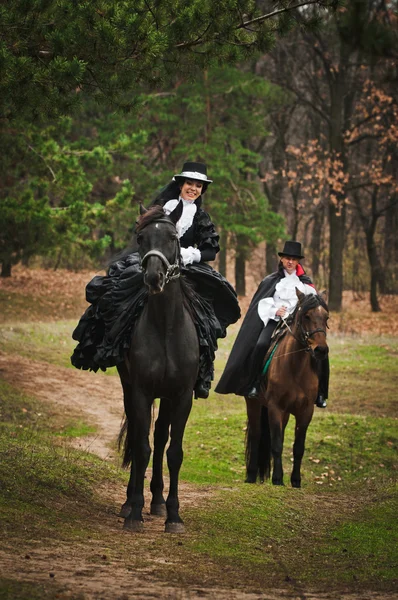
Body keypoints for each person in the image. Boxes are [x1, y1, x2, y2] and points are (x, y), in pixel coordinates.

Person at [71, 161, 241, 399]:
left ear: (203, 189)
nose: (193, 188)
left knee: (208, 313)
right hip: (156, 261)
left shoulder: (202, 217)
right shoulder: (161, 208)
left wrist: (189, 254)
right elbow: (144, 236)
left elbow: (211, 251)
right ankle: (109, 346)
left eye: (198, 185)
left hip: (187, 268)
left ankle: (201, 368)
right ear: (180, 184)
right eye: (189, 183)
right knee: (116, 292)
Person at [215, 240, 329, 408]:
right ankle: (253, 384)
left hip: (301, 326)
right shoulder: (271, 281)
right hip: (276, 322)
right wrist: (276, 310)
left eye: (294, 259)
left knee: (322, 352)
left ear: (298, 261)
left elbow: (315, 306)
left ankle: (320, 393)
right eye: (287, 258)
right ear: (282, 259)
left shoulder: (306, 284)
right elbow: (262, 302)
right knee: (261, 344)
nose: (290, 262)